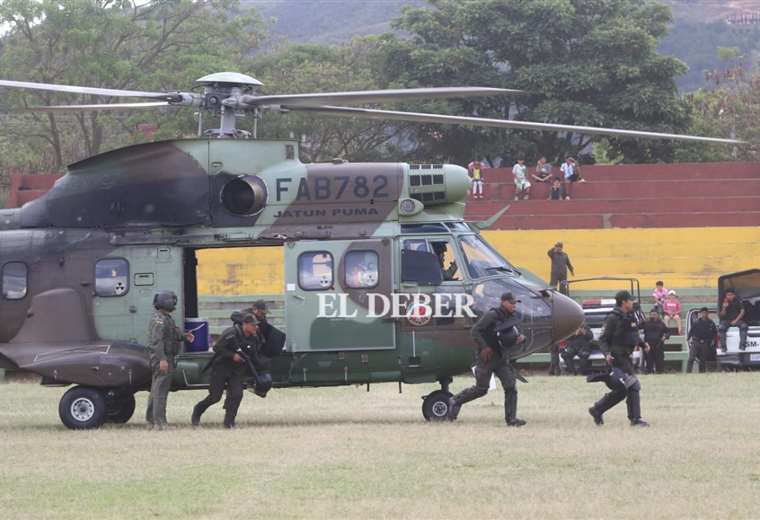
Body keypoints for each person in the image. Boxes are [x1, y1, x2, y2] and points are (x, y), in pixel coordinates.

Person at [448, 292, 527, 427]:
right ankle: (455, 400)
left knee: (511, 387)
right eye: (512, 303)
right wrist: (484, 347)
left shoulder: (513, 317)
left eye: (515, 303)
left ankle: (511, 420)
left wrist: (520, 338)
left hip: (501, 358)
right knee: (481, 389)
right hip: (487, 357)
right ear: (504, 302)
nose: (514, 306)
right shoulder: (492, 315)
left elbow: (515, 334)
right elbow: (475, 331)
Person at [588, 290, 649, 427]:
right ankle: (635, 419)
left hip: (625, 359)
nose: (632, 302)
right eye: (630, 300)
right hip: (615, 359)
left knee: (624, 390)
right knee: (632, 386)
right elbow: (602, 339)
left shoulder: (629, 316)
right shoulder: (613, 318)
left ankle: (597, 409)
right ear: (623, 302)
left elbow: (632, 335)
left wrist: (643, 344)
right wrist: (606, 354)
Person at [192, 314, 261, 428]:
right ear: (245, 325)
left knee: (237, 394)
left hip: (237, 370)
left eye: (256, 325)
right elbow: (217, 348)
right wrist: (232, 355)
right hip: (221, 367)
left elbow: (253, 354)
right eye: (253, 325)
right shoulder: (231, 333)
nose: (256, 328)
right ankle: (198, 410)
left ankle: (229, 422)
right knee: (215, 397)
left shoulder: (254, 338)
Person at [146, 290, 194, 430]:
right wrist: (162, 359)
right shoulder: (159, 320)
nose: (174, 303)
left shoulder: (166, 318)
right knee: (160, 390)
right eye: (172, 301)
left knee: (156, 389)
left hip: (167, 357)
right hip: (163, 358)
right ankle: (160, 423)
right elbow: (157, 342)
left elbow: (172, 334)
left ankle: (152, 420)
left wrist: (185, 336)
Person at [687, 307, 718, 373]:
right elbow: (691, 331)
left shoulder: (711, 323)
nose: (704, 314)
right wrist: (688, 338)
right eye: (702, 313)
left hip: (705, 342)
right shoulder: (696, 322)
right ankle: (688, 372)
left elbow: (714, 333)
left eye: (705, 313)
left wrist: (713, 340)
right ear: (700, 314)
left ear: (708, 313)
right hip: (696, 341)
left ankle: (701, 373)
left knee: (703, 359)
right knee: (691, 358)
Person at [718, 288, 748, 352]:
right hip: (726, 320)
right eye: (728, 295)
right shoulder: (722, 302)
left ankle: (742, 345)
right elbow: (721, 315)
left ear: (734, 295)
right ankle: (723, 347)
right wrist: (724, 307)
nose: (729, 296)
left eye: (731, 295)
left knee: (744, 326)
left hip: (737, 320)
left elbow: (742, 312)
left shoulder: (738, 301)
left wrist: (735, 320)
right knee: (721, 328)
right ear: (726, 295)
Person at [640, 310, 669, 374]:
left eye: (654, 314)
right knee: (648, 362)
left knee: (659, 363)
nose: (653, 316)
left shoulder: (661, 323)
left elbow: (668, 332)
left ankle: (660, 373)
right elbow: (637, 327)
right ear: (650, 315)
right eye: (652, 314)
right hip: (648, 345)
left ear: (657, 315)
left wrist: (665, 336)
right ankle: (649, 372)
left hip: (658, 345)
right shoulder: (645, 322)